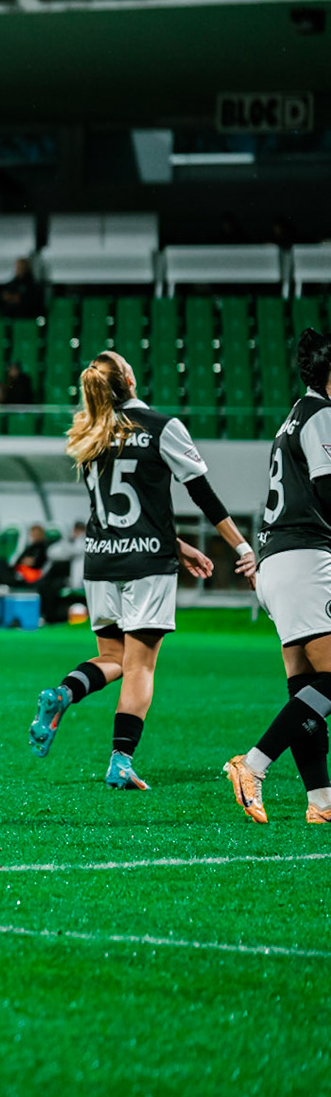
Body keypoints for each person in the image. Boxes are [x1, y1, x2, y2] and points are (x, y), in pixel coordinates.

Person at [28, 351, 256, 789]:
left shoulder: (92, 432)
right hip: (146, 563)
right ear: (129, 379)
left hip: (100, 560)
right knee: (140, 667)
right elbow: (203, 494)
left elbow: (121, 508)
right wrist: (241, 546)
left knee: (112, 657)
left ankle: (63, 694)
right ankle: (121, 761)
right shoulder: (160, 427)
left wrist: (182, 545)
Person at [224, 329, 331, 825]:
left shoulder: (294, 414)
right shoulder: (322, 415)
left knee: (306, 686)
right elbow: (328, 489)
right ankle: (253, 763)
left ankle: (322, 802)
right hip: (305, 559)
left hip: (280, 561)